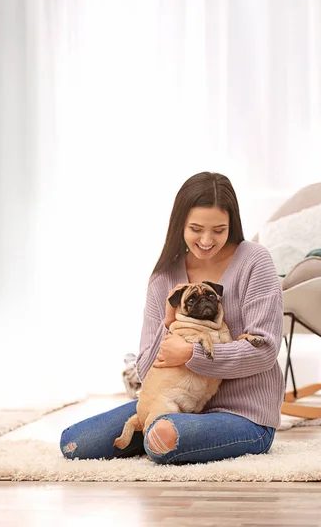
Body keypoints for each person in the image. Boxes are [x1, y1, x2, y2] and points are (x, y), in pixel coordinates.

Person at [60, 172, 284, 464]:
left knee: (162, 438)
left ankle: (172, 436)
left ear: (232, 224)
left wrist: (192, 354)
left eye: (219, 229)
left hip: (243, 413)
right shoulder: (164, 276)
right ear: (180, 225)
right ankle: (171, 434)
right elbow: (144, 367)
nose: (206, 240)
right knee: (75, 443)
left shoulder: (255, 261)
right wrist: (168, 323)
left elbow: (264, 350)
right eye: (195, 229)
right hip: (173, 403)